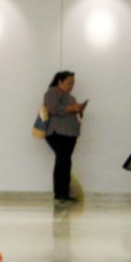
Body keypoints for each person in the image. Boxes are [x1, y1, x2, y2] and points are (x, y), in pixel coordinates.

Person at [44, 71, 88, 203]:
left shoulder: (70, 97)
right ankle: (60, 193)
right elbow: (53, 108)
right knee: (62, 160)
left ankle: (64, 192)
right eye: (69, 83)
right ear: (60, 82)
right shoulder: (52, 93)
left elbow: (73, 113)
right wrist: (72, 108)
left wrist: (79, 110)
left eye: (73, 83)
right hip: (57, 133)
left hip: (70, 134)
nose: (71, 86)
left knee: (65, 161)